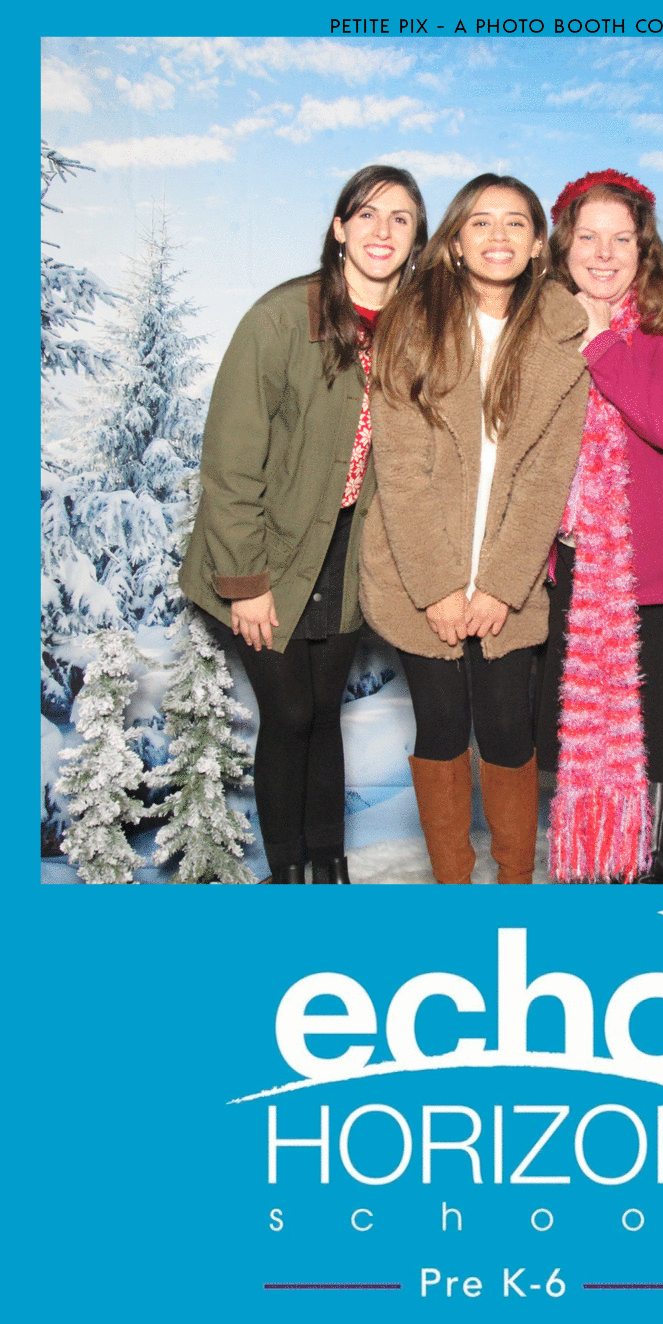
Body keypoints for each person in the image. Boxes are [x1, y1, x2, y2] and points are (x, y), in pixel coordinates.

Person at [179, 165, 428, 884]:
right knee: (289, 713)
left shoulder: (415, 331)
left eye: (401, 218)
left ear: (417, 239)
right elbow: (230, 464)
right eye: (367, 214)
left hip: (349, 551)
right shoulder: (284, 317)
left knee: (322, 713)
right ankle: (288, 876)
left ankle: (331, 867)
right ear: (339, 227)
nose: (382, 230)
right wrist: (245, 582)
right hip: (264, 549)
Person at [361, 174, 590, 884]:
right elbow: (400, 470)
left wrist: (500, 586)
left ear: (538, 243)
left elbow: (546, 478)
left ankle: (514, 889)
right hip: (416, 572)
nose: (498, 236)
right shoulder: (412, 325)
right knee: (439, 725)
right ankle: (453, 892)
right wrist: (438, 587)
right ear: (455, 242)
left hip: (507, 581)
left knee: (507, 729)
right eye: (481, 222)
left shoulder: (564, 336)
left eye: (515, 222)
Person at [535, 169, 663, 884]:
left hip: (658, 570)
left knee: (661, 736)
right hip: (574, 569)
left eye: (621, 238)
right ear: (564, 245)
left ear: (646, 248)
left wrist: (601, 341)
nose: (604, 254)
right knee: (580, 733)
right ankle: (587, 871)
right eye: (588, 237)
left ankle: (648, 876)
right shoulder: (541, 327)